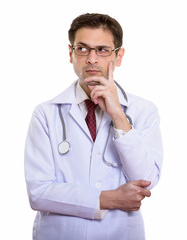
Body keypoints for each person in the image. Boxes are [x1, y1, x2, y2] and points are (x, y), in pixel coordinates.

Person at [24, 13, 163, 240]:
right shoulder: (46, 113)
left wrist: (118, 115)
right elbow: (38, 192)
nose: (91, 59)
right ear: (71, 54)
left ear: (119, 56)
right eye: (82, 49)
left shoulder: (143, 110)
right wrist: (108, 198)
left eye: (102, 50)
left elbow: (146, 179)